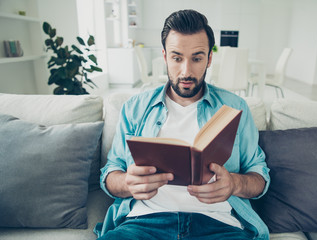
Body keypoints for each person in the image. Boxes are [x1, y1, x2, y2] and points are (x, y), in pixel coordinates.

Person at [94, 9, 270, 240]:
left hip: (219, 224)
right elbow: (110, 173)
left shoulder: (234, 107)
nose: (186, 71)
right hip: (144, 223)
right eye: (177, 58)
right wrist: (127, 182)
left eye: (197, 58)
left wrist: (234, 184)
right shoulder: (134, 108)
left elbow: (259, 175)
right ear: (165, 57)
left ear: (209, 59)